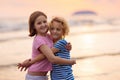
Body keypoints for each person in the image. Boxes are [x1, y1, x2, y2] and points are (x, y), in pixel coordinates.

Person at [18, 11, 76, 80]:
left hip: (45, 76)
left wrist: (68, 47)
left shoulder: (48, 37)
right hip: (35, 77)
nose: (43, 25)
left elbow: (57, 43)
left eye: (44, 22)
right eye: (39, 23)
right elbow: (51, 58)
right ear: (34, 26)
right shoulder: (39, 40)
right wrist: (70, 62)